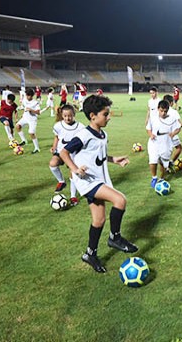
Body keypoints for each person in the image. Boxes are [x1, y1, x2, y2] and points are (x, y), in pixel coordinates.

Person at [59, 95, 138, 273]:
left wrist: (113, 159)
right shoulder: (83, 135)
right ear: (93, 116)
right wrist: (75, 169)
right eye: (105, 114)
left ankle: (90, 254)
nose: (109, 117)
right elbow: (64, 152)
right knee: (120, 200)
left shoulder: (102, 134)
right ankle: (114, 238)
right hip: (87, 181)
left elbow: (98, 156)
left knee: (99, 220)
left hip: (99, 178)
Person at [49, 104, 85, 204]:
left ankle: (73, 196)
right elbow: (57, 137)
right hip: (61, 151)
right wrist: (54, 147)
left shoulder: (80, 127)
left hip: (73, 154)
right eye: (65, 116)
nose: (67, 118)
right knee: (53, 164)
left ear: (74, 115)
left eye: (70, 116)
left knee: (73, 174)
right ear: (62, 115)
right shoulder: (58, 126)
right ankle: (61, 181)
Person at [147, 100, 181, 187]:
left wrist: (173, 133)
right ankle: (154, 177)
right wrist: (151, 135)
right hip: (154, 143)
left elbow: (178, 128)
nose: (163, 113)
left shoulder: (172, 119)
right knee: (153, 160)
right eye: (161, 111)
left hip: (166, 144)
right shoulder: (153, 117)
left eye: (165, 111)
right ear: (158, 109)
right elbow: (148, 128)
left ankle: (161, 179)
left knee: (163, 164)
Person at [15, 89, 41, 153]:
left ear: (32, 96)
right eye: (27, 95)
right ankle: (24, 141)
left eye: (29, 95)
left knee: (31, 133)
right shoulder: (24, 99)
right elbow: (25, 107)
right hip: (25, 117)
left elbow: (38, 112)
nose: (27, 97)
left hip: (32, 119)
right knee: (17, 126)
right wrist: (23, 114)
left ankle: (37, 148)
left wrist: (31, 110)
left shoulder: (35, 102)